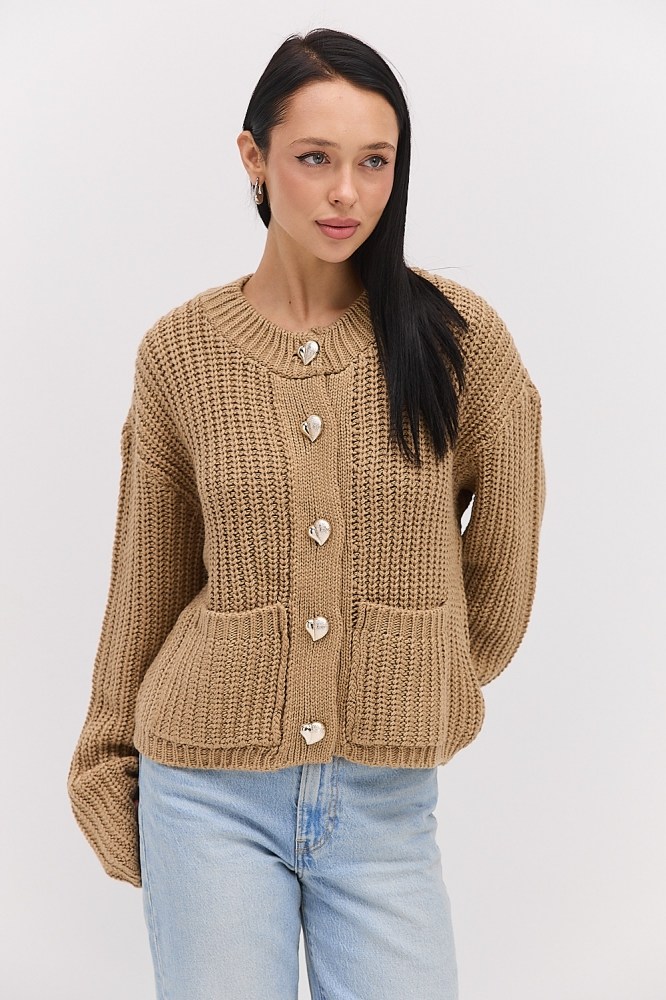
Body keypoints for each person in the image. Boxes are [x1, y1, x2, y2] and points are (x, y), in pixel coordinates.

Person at [67, 26, 546, 1000]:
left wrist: (426, 669)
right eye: (316, 158)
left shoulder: (458, 340)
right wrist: (105, 760)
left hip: (385, 802)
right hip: (204, 791)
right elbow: (148, 578)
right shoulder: (181, 355)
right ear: (255, 157)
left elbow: (504, 560)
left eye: (375, 162)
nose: (347, 194)